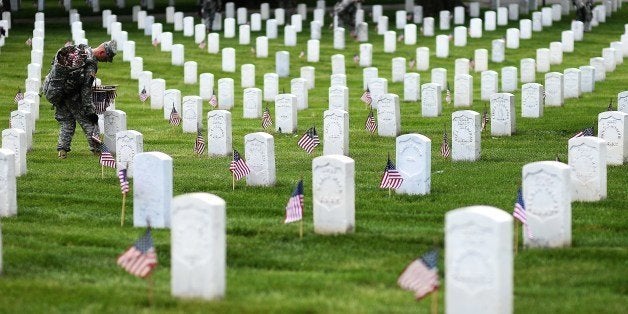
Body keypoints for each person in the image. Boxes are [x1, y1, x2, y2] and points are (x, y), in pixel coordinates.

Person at [42, 40, 117, 159]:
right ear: (102, 52)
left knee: (67, 122)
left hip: (57, 92)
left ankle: (62, 151)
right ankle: (98, 151)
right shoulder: (90, 64)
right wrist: (90, 110)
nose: (106, 61)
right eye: (107, 58)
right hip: (72, 96)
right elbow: (86, 89)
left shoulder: (80, 49)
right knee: (90, 123)